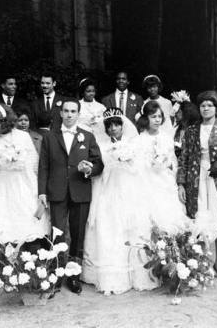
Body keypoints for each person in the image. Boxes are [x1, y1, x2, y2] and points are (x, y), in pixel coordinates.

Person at [82, 108, 154, 295]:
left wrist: (127, 158)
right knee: (110, 230)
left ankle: (138, 274)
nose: (113, 129)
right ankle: (112, 277)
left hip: (130, 191)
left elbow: (142, 169)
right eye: (109, 126)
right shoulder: (101, 145)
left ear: (123, 126)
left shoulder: (134, 144)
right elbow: (99, 167)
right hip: (109, 190)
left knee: (133, 229)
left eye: (116, 125)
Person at [38, 99, 104, 294]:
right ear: (60, 113)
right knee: (57, 234)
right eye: (65, 111)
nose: (68, 114)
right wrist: (42, 191)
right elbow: (43, 166)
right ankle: (56, 275)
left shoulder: (88, 136)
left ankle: (74, 276)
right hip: (57, 191)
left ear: (78, 114)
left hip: (80, 191)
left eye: (72, 111)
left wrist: (89, 170)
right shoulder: (50, 137)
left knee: (78, 235)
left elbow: (99, 164)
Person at [177, 90, 217, 282]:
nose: (206, 108)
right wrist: (181, 183)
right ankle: (202, 262)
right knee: (198, 221)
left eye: (210, 105)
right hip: (195, 179)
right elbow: (184, 157)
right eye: (203, 105)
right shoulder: (191, 130)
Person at [0, 104, 49, 245]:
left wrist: (38, 187)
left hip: (25, 183)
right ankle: (7, 261)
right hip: (2, 186)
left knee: (27, 222)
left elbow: (34, 162)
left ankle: (30, 258)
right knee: (4, 224)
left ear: (6, 121)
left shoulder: (22, 136)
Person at [137, 101, 189, 235]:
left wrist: (176, 181)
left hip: (165, 180)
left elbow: (173, 161)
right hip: (147, 181)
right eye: (153, 116)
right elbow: (138, 164)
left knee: (169, 214)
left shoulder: (166, 138)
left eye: (159, 116)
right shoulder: (139, 140)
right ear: (146, 118)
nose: (157, 120)